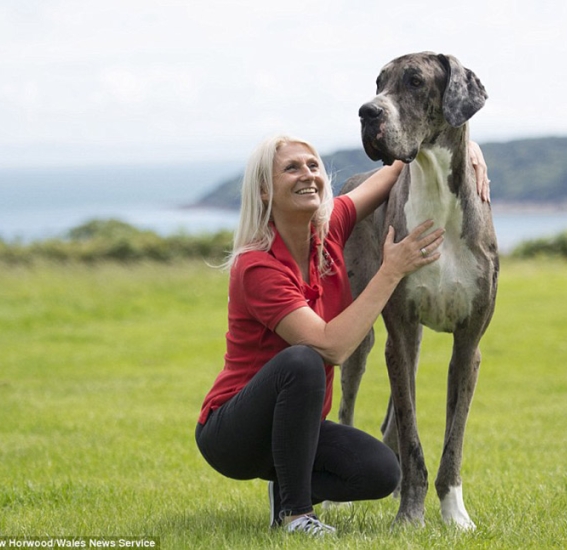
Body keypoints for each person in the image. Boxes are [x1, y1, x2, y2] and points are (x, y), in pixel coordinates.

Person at [195, 134, 489, 537]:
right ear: (264, 190)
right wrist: (391, 271)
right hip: (233, 435)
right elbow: (331, 347)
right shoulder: (257, 266)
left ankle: (287, 487)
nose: (308, 175)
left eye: (313, 166)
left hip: (296, 429)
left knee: (383, 471)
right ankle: (297, 515)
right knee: (304, 359)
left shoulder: (329, 230)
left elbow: (393, 170)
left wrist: (465, 147)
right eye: (292, 168)